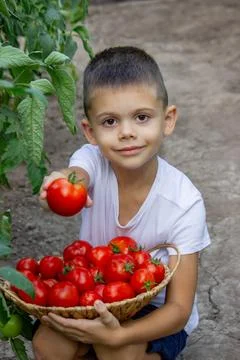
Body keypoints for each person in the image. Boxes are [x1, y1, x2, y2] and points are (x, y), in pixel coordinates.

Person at [33, 46, 211, 360]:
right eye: (110, 122)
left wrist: (118, 334)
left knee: (118, 352)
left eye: (141, 117)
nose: (127, 132)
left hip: (153, 317)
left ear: (167, 120)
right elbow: (77, 175)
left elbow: (179, 309)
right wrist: (59, 184)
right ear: (90, 131)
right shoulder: (92, 161)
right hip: (94, 297)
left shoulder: (184, 202)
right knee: (48, 345)